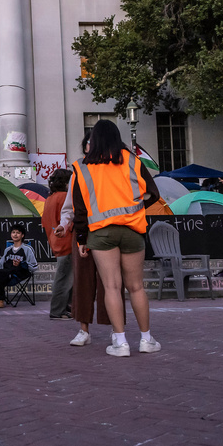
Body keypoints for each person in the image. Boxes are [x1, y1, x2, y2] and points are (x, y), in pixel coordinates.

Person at [71, 119, 161, 357]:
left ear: (93, 140)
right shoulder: (133, 161)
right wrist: (135, 207)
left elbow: (79, 211)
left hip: (100, 232)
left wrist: (81, 239)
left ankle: (120, 343)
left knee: (111, 286)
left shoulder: (82, 167)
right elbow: (154, 194)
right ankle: (146, 339)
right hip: (133, 229)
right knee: (136, 287)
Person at [55, 136, 122, 347]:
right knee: (83, 281)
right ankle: (83, 329)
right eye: (87, 147)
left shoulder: (115, 168)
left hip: (108, 229)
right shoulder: (80, 171)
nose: (91, 150)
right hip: (83, 231)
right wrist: (64, 225)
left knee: (111, 282)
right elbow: (70, 205)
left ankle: (115, 328)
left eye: (95, 145)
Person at [0, 224, 38, 308]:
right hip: (2, 272)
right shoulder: (7, 250)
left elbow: (34, 267)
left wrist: (21, 264)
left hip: (16, 274)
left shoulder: (27, 249)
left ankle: (0, 299)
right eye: (13, 232)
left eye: (18, 233)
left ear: (22, 235)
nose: (15, 234)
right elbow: (0, 265)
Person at [43, 169, 74, 320]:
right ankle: (58, 310)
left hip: (55, 241)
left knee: (65, 277)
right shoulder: (64, 197)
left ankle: (64, 308)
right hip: (67, 241)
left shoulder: (50, 198)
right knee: (64, 279)